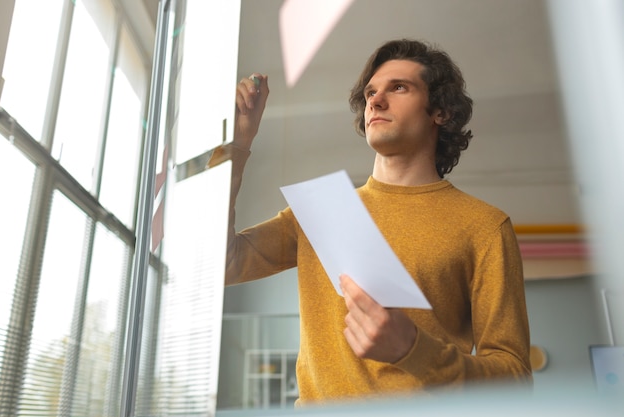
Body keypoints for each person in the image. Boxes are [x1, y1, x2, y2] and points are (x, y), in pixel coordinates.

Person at [215, 39, 532, 405]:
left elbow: (515, 378)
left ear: (440, 112)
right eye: (370, 92)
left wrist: (414, 350)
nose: (376, 101)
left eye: (399, 87)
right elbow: (221, 265)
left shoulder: (485, 226)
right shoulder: (323, 210)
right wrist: (235, 146)